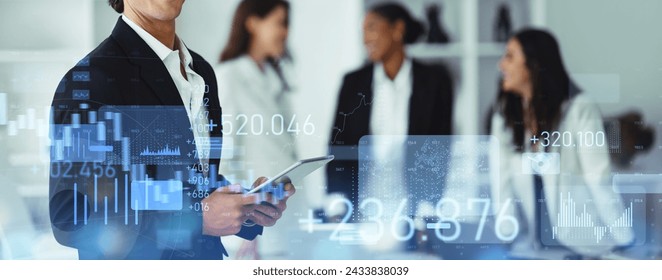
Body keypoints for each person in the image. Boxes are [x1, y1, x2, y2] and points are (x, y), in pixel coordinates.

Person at [49, 0, 294, 259]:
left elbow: (192, 181)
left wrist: (246, 206)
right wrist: (196, 218)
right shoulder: (89, 80)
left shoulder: (200, 72)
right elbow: (71, 218)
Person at [489, 28, 633, 257]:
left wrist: (624, 239)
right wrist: (508, 233)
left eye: (510, 56)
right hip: (536, 248)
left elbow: (598, 178)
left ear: (533, 63)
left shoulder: (579, 109)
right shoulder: (504, 115)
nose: (501, 65)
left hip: (585, 244)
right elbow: (500, 181)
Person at [326, 3, 453, 216]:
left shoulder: (435, 82)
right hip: (361, 205)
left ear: (397, 29)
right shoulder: (353, 83)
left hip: (413, 208)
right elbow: (338, 144)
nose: (366, 39)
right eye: (364, 31)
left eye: (372, 27)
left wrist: (427, 210)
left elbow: (438, 148)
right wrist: (337, 202)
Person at [215, 0, 299, 259]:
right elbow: (225, 156)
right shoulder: (229, 77)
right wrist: (243, 229)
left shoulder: (275, 79)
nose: (284, 32)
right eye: (279, 22)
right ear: (252, 23)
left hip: (285, 218)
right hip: (254, 228)